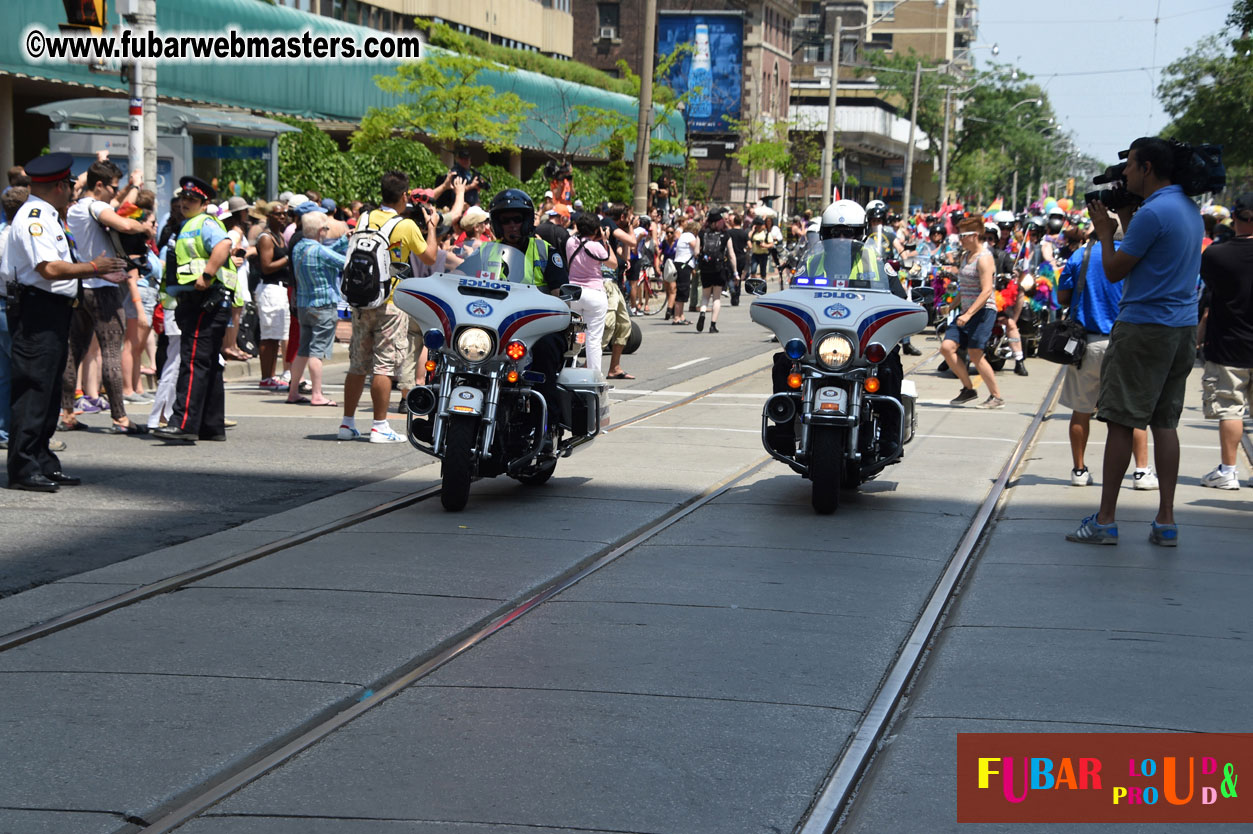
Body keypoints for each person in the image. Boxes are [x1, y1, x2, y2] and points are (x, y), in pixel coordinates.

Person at [1067, 136, 1204, 547]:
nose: (1123, 174)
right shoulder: (1188, 210)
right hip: (1181, 329)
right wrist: (1125, 219)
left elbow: (1113, 270)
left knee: (1121, 423)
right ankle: (1165, 520)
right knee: (1165, 424)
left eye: (1129, 167)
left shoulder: (1153, 213)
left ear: (1146, 168)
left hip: (1144, 327)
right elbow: (1153, 259)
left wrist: (1105, 231)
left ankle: (1106, 520)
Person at [7, 153, 127, 490]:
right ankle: (24, 467)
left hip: (54, 308)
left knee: (47, 391)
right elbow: (48, 268)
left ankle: (43, 461)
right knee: (34, 389)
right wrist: (94, 267)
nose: (73, 191)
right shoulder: (34, 217)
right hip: (37, 310)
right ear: (59, 186)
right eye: (70, 185)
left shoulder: (49, 215)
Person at [338, 170, 437, 443]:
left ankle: (347, 424)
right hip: (390, 302)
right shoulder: (405, 226)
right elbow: (429, 257)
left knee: (358, 364)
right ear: (404, 196)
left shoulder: (365, 217)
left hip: (361, 300)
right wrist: (431, 227)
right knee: (383, 366)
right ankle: (379, 426)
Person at [1056, 227, 1156, 489]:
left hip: (1086, 343)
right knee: (1133, 412)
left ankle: (1079, 470)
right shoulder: (1132, 255)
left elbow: (1062, 297)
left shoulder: (1080, 256)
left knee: (1081, 410)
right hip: (1125, 340)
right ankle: (1142, 472)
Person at [60, 158, 150, 435]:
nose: (115, 192)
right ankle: (120, 418)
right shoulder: (97, 206)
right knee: (111, 351)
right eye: (113, 187)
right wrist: (142, 227)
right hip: (104, 287)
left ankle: (66, 413)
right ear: (99, 185)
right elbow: (121, 224)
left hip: (80, 284)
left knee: (74, 351)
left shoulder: (74, 209)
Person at [152, 176, 240, 443]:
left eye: (192, 199)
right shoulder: (185, 225)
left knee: (193, 362)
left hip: (207, 299)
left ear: (205, 203)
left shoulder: (204, 223)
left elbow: (224, 244)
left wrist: (208, 275)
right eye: (183, 198)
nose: (185, 203)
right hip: (196, 301)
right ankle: (211, 426)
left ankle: (183, 423)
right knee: (208, 363)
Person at [476, 188, 571, 417]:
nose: (512, 226)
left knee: (546, 353)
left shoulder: (544, 251)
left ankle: (548, 423)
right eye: (505, 220)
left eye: (517, 220)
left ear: (527, 221)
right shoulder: (484, 252)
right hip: (494, 326)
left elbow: (561, 295)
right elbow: (463, 283)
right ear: (497, 224)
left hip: (536, 327)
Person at [1195, 191, 1253, 490]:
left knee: (1230, 408)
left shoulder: (1217, 255)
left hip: (1228, 343)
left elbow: (1209, 291)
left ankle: (1228, 470)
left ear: (1237, 218)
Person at [939, 216, 1005, 409]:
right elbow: (964, 288)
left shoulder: (984, 258)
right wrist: (951, 307)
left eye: (964, 236)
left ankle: (996, 397)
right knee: (946, 347)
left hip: (983, 312)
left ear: (975, 236)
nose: (961, 240)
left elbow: (986, 291)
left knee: (975, 354)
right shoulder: (965, 256)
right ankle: (968, 389)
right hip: (966, 312)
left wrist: (968, 315)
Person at [289, 212, 347, 408]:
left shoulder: (299, 247)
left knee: (303, 350)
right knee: (317, 352)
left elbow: (326, 252)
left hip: (304, 305)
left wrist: (344, 240)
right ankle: (317, 394)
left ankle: (293, 392)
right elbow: (342, 262)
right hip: (323, 305)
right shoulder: (319, 251)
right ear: (321, 230)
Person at [565, 212, 614, 372]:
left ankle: (569, 371)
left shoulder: (570, 242)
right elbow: (613, 263)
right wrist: (605, 240)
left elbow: (574, 235)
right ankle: (594, 375)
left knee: (573, 337)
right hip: (594, 293)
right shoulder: (596, 246)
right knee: (593, 339)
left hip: (574, 292)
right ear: (595, 230)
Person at [696, 209, 737, 333]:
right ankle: (713, 325)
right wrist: (735, 272)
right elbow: (731, 254)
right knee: (717, 298)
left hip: (705, 268)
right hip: (719, 269)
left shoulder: (702, 233)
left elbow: (696, 252)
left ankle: (702, 312)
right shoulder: (725, 235)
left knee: (705, 296)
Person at [670, 219, 698, 325]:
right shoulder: (689, 236)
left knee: (684, 291)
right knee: (682, 291)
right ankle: (677, 317)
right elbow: (696, 248)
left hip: (682, 264)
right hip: (683, 265)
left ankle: (681, 316)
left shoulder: (684, 235)